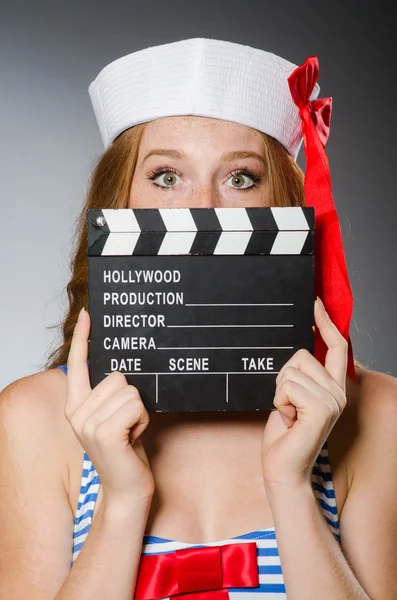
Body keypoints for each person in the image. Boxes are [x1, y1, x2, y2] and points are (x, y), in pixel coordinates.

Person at [1, 38, 396, 600]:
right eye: (166, 176)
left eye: (241, 178)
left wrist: (291, 488)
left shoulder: (376, 417)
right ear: (121, 202)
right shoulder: (34, 419)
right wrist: (121, 503)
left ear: (282, 205)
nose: (204, 207)